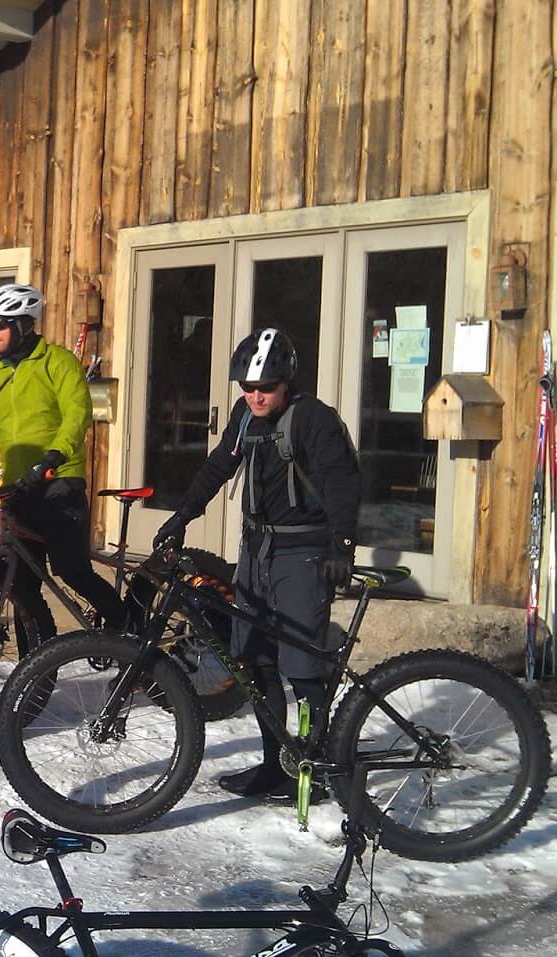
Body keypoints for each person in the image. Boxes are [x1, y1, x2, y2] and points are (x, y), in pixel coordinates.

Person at [152, 328, 361, 802]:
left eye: (265, 387)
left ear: (286, 381)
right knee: (254, 660)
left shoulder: (314, 420)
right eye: (247, 388)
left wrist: (341, 549)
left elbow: (342, 485)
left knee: (302, 664)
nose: (255, 396)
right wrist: (182, 515)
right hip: (255, 552)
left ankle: (317, 766)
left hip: (302, 554)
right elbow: (217, 467)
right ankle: (276, 765)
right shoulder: (244, 416)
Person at [0, 282, 125, 634]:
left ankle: (129, 631)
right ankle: (32, 680)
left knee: (72, 571)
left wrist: (52, 458)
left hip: (58, 482)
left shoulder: (58, 362)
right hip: (17, 487)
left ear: (23, 325)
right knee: (21, 589)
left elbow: (78, 415)